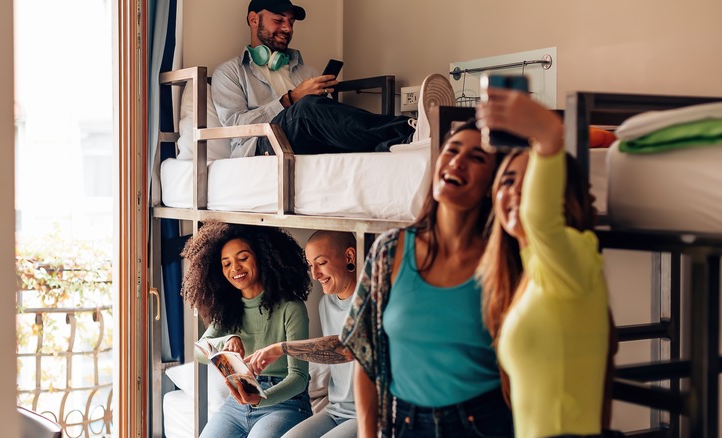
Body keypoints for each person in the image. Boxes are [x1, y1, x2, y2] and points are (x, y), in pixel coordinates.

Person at [341, 120, 514, 438]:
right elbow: (366, 356)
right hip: (406, 424)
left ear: (494, 180)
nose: (458, 162)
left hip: (485, 423)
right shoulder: (389, 250)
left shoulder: (505, 259)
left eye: (477, 157)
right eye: (452, 150)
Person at [476, 88, 611, 437]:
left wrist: (548, 135)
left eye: (531, 180)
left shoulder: (577, 255)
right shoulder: (527, 274)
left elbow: (541, 220)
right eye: (508, 180)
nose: (518, 190)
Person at [212, 0, 455, 157]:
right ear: (254, 20)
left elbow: (333, 122)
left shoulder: (306, 72)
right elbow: (235, 129)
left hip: (309, 141)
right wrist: (292, 98)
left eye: (291, 22)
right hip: (264, 148)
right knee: (305, 108)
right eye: (279, 20)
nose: (288, 28)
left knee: (321, 115)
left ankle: (404, 142)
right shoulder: (231, 72)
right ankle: (410, 130)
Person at [180, 221, 313, 437]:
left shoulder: (291, 308)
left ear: (262, 257)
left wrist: (261, 398)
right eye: (226, 264)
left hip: (285, 403)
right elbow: (199, 351)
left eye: (243, 258)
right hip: (239, 401)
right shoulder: (229, 309)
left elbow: (299, 378)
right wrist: (227, 341)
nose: (235, 268)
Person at [245, 230, 360, 438]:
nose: (315, 275)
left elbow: (346, 349)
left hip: (366, 414)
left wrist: (281, 349)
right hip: (336, 410)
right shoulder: (326, 303)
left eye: (321, 262)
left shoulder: (370, 300)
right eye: (311, 266)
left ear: (349, 257)